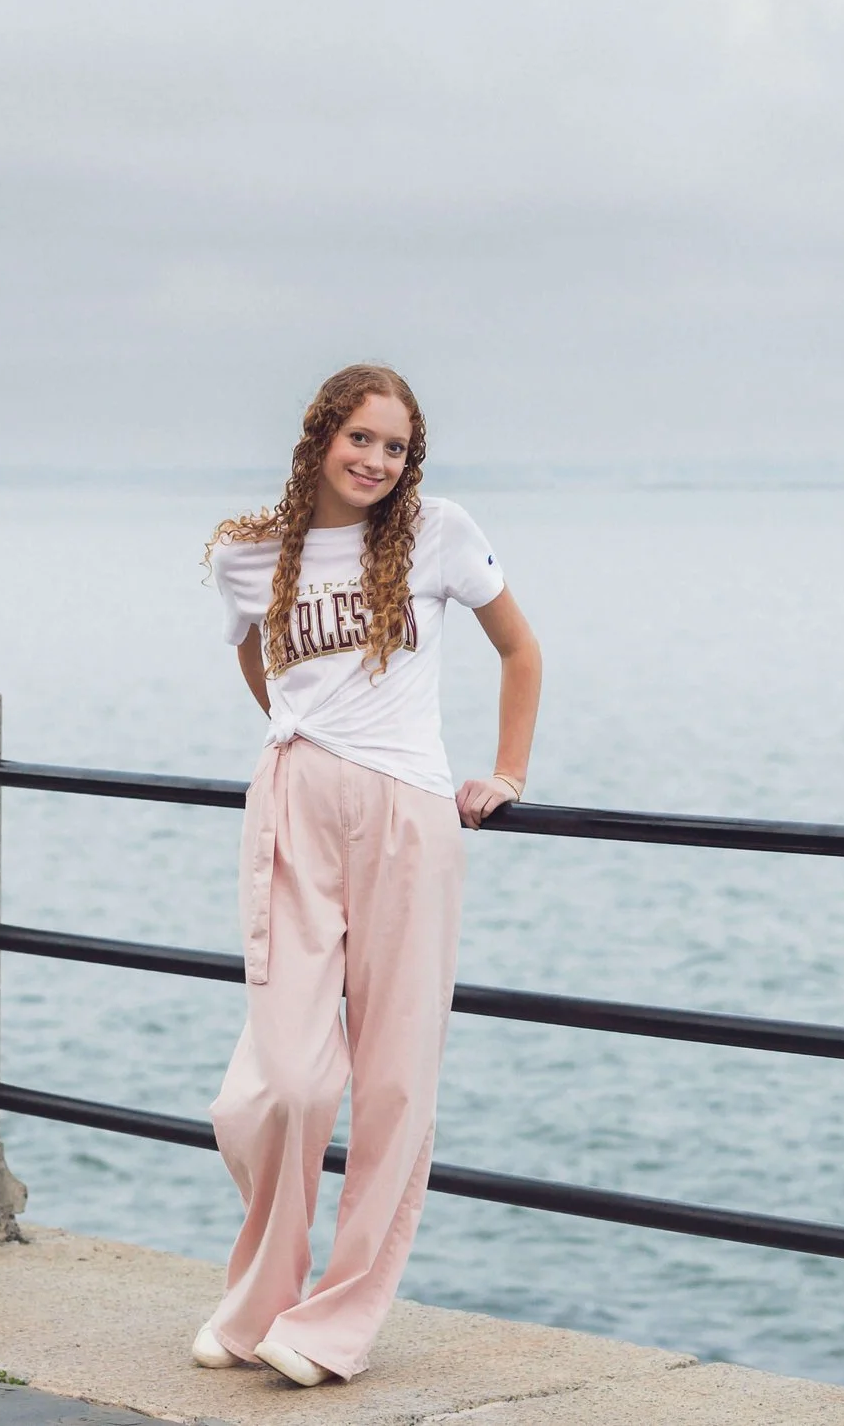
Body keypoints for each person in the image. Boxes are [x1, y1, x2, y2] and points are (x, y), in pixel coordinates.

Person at [193, 362, 541, 1386]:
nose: (378, 461)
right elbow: (258, 660)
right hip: (293, 808)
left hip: (408, 814)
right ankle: (260, 1295)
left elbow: (520, 650)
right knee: (282, 1082)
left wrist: (506, 771)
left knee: (392, 1080)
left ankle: (333, 1321)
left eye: (396, 446)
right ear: (318, 437)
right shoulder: (249, 552)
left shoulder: (437, 531)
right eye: (362, 439)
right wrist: (293, 724)